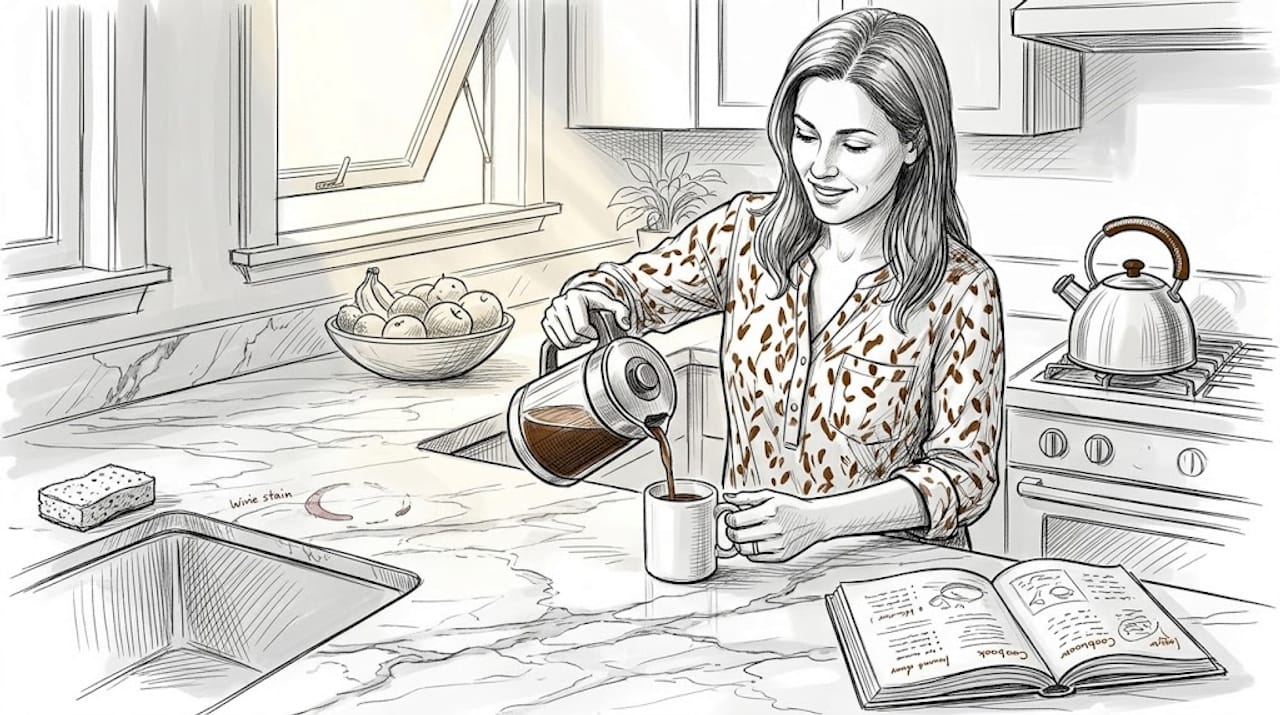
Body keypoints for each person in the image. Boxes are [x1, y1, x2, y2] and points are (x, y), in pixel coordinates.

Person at [543, 8, 1004, 561]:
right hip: (750, 575)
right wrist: (589, 299)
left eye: (854, 146)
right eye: (806, 136)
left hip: (889, 583)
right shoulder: (747, 234)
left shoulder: (960, 287)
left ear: (914, 145)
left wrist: (819, 523)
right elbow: (634, 289)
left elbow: (965, 476)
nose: (820, 167)